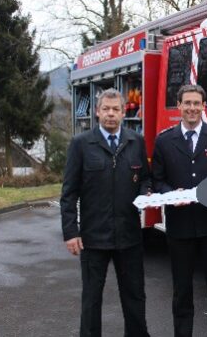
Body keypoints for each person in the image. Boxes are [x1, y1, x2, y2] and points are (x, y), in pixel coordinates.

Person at [60, 88, 151, 337]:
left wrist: (146, 192)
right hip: (93, 239)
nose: (111, 114)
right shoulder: (81, 145)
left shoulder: (136, 142)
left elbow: (145, 179)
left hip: (129, 237)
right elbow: (69, 193)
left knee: (135, 298)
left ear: (124, 112)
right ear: (97, 112)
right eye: (106, 109)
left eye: (116, 109)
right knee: (91, 300)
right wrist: (71, 232)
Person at [152, 84, 207, 337]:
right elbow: (157, 180)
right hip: (180, 227)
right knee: (182, 291)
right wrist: (168, 193)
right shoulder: (164, 141)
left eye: (197, 103)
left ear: (204, 106)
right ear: (179, 106)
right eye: (187, 103)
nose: (192, 108)